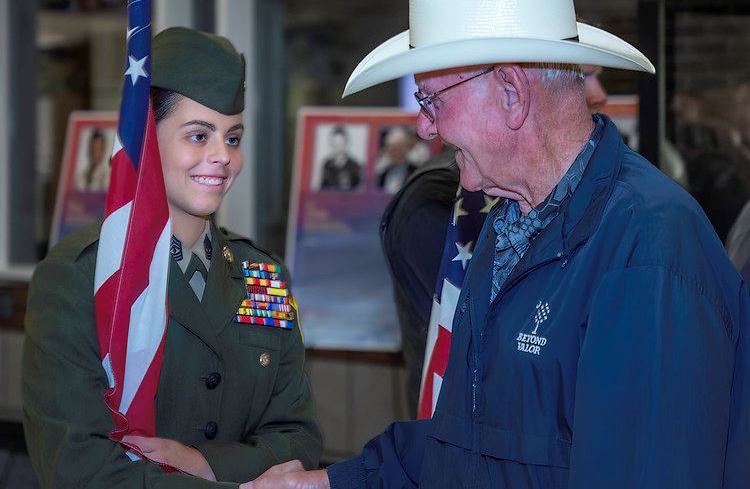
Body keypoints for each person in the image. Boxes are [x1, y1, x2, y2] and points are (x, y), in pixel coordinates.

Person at [246, 0, 750, 488]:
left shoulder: (648, 246)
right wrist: (329, 483)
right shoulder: (508, 223)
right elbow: (476, 443)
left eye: (432, 98)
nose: (424, 127)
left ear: (511, 91)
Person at [23, 27, 322, 488]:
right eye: (199, 136)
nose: (223, 156)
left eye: (234, 137)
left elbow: (299, 439)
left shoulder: (262, 275)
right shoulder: (82, 276)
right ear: (145, 139)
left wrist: (206, 464)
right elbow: (75, 467)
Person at [383, 59, 613, 419]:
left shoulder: (630, 215)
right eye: (584, 77)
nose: (599, 94)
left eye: (433, 100)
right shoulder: (441, 201)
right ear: (513, 91)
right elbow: (471, 376)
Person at [319, 125, 362, 190]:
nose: (337, 147)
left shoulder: (355, 165)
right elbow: (322, 188)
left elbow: (358, 190)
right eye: (335, 144)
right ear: (332, 144)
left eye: (340, 144)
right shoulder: (327, 164)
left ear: (345, 143)